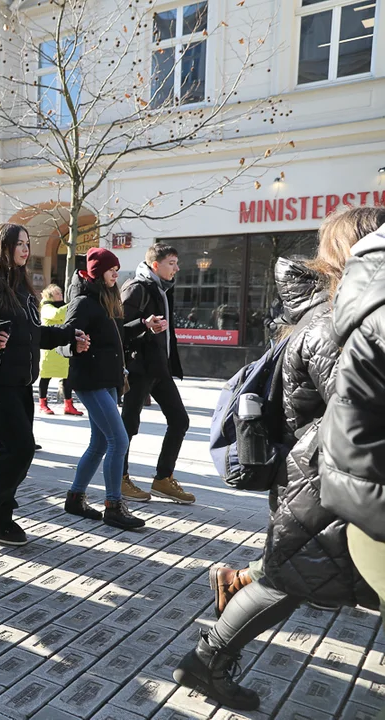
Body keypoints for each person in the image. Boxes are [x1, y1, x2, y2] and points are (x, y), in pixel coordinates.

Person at [173, 206, 384, 711]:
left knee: (287, 576)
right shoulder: (336, 323)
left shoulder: (326, 316)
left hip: (321, 477)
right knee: (287, 578)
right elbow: (358, 409)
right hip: (325, 480)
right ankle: (208, 658)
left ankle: (211, 650)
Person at [0, 225, 85, 546]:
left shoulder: (21, 285)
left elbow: (34, 334)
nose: (26, 250)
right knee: (20, 447)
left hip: (19, 380)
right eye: (19, 244)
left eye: (28, 244)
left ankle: (1, 514)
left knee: (13, 450)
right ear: (2, 246)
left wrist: (68, 335)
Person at [321, 218, 385, 613]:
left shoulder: (348, 310)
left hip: (346, 489)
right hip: (345, 484)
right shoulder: (325, 322)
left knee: (280, 574)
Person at [63, 248, 145, 530]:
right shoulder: (84, 301)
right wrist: (74, 343)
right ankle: (113, 506)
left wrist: (144, 325)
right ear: (99, 272)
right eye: (112, 269)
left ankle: (75, 498)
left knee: (100, 443)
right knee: (118, 441)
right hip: (91, 380)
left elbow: (116, 337)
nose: (116, 273)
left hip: (108, 379)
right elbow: (65, 338)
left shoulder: (107, 299)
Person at [119, 244, 194, 504]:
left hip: (159, 367)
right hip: (139, 368)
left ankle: (163, 479)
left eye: (176, 262)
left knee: (180, 420)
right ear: (155, 265)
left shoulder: (161, 288)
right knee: (128, 426)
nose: (177, 268)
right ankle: (120, 478)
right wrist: (143, 327)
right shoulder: (137, 288)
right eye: (171, 262)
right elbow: (119, 328)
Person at [38, 284, 83, 416]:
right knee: (46, 376)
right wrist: (73, 304)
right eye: (57, 294)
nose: (61, 295)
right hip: (49, 349)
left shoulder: (62, 307)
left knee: (66, 377)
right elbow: (56, 314)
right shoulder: (46, 307)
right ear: (50, 296)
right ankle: (43, 404)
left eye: (61, 293)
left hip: (62, 348)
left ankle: (68, 405)